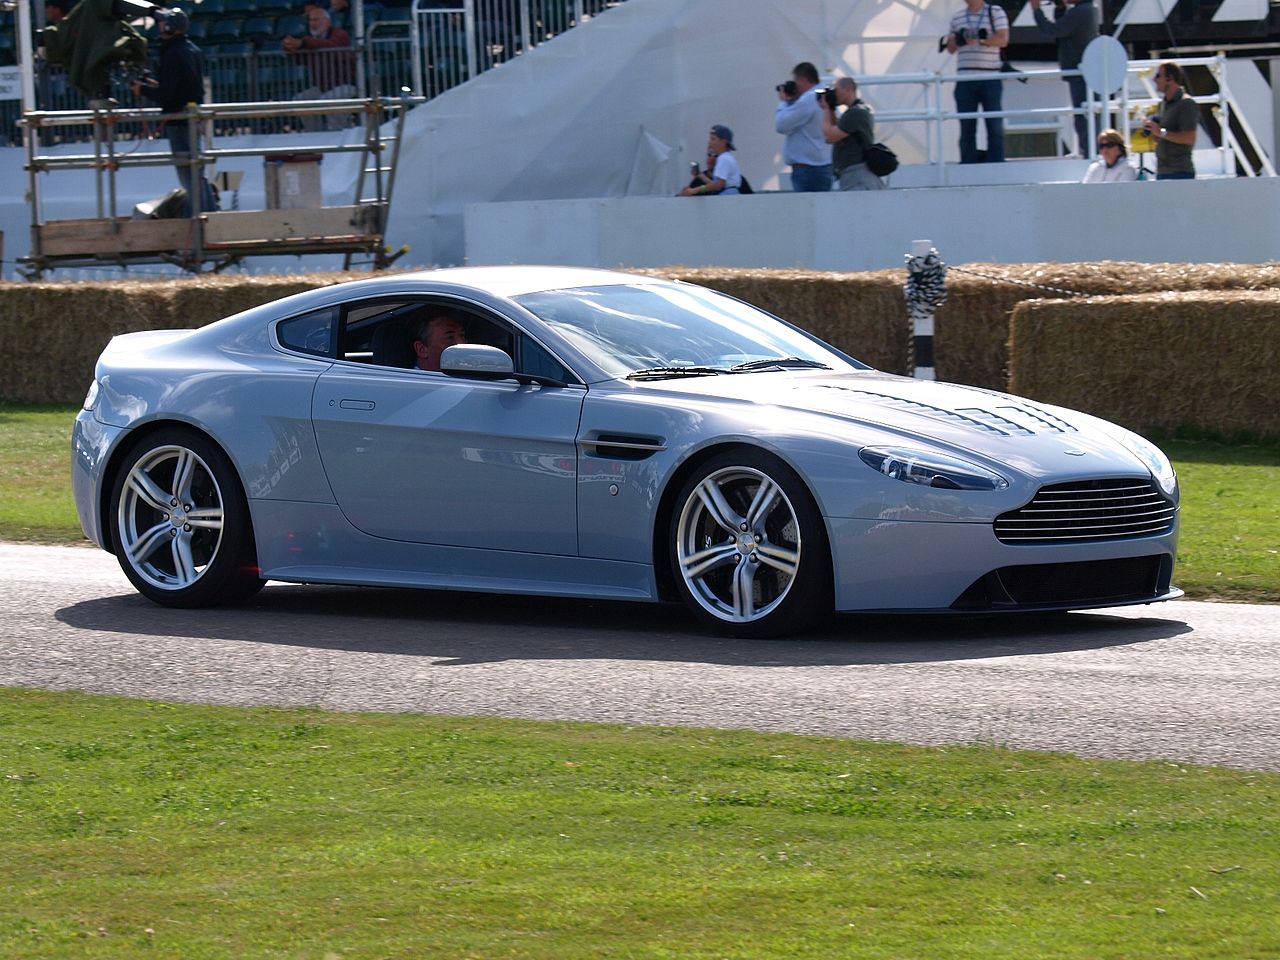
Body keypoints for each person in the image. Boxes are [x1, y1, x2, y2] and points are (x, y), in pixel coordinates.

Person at [130, 8, 218, 217]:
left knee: (189, 174)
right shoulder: (191, 50)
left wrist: (142, 89)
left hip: (179, 122)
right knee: (195, 172)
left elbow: (168, 94)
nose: (160, 27)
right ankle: (210, 215)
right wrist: (154, 85)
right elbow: (178, 86)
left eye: (163, 23)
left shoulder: (172, 53)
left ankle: (197, 218)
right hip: (190, 117)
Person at [1030, 0, 1098, 157]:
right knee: (1084, 117)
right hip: (1082, 74)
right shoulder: (1087, 9)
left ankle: (1089, 154)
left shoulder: (1081, 11)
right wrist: (1060, 8)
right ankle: (1089, 152)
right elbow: (1063, 29)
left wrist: (1036, 9)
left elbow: (1053, 30)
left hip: (1080, 75)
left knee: (1083, 118)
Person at [945, 0, 1008, 163]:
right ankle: (968, 162)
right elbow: (951, 49)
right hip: (965, 78)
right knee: (966, 126)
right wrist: (956, 39)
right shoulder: (957, 17)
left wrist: (982, 40)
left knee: (994, 125)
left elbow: (1003, 39)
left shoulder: (995, 12)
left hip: (990, 77)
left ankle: (996, 162)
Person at [283, 3, 356, 131]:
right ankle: (315, 133)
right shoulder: (310, 40)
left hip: (347, 85)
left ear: (327, 21)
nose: (312, 23)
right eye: (311, 20)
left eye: (316, 20)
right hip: (323, 87)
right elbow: (302, 60)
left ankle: (338, 132)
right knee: (300, 100)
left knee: (328, 99)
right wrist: (291, 51)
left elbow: (329, 45)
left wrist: (303, 43)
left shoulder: (339, 34)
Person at [774, 61, 833, 192]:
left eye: (796, 82)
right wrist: (794, 102)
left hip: (808, 169)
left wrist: (783, 103)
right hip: (823, 164)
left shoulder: (809, 98)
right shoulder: (823, 93)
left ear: (803, 80)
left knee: (808, 210)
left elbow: (781, 125)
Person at [820, 77, 885, 191]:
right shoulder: (858, 110)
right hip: (854, 173)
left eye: (836, 90)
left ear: (848, 89)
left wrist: (825, 110)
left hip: (856, 173)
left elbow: (829, 136)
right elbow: (838, 134)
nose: (835, 94)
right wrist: (831, 108)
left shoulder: (856, 113)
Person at [1142, 61, 1199, 180]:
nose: (1154, 80)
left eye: (1158, 76)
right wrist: (1154, 131)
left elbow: (1190, 138)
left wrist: (1161, 132)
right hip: (1162, 171)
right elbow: (1162, 136)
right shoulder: (1162, 104)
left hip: (1180, 172)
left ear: (1170, 78)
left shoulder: (1186, 103)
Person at [681, 125, 742, 196]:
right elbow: (716, 184)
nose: (709, 142)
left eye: (713, 139)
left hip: (727, 195)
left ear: (723, 142)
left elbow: (719, 185)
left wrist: (695, 190)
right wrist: (700, 175)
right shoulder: (726, 158)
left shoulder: (724, 159)